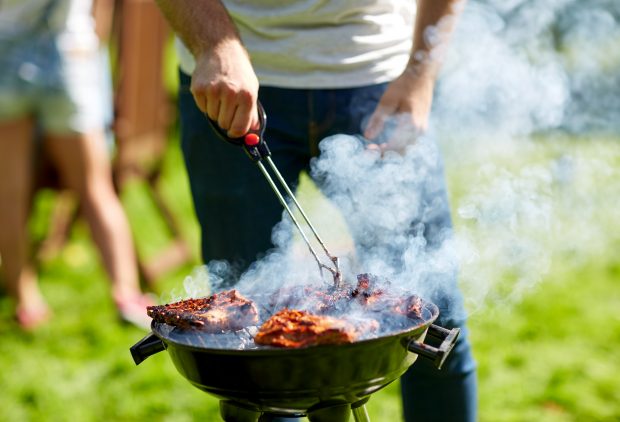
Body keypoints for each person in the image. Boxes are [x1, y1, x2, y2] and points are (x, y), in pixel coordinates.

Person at [155, 0, 477, 420]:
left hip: (378, 78)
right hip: (229, 82)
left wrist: (420, 71)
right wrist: (214, 43)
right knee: (251, 353)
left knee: (435, 326)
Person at [0, 0, 153, 330]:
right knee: (95, 187)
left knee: (8, 194)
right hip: (68, 52)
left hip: (5, 52)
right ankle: (126, 294)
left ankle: (26, 302)